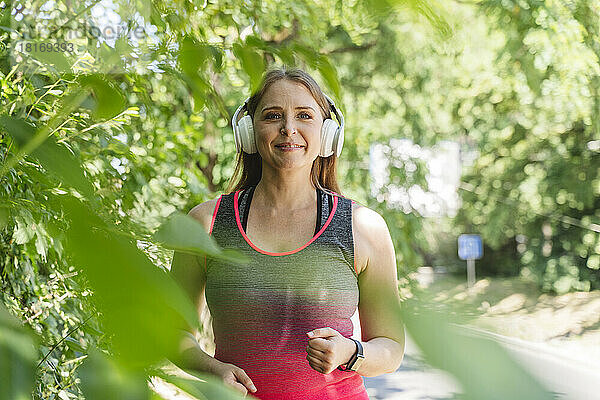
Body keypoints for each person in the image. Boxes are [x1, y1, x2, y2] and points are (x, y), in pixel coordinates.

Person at [170, 67, 405, 400]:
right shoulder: (203, 224)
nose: (289, 129)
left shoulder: (364, 227)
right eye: (273, 116)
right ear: (249, 132)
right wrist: (212, 368)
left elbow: (391, 347)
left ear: (327, 134)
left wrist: (350, 352)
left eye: (304, 116)